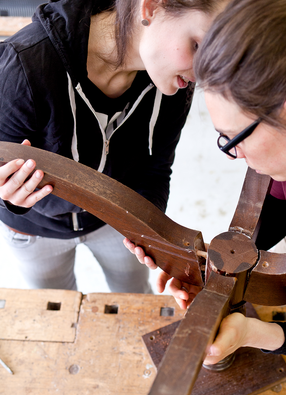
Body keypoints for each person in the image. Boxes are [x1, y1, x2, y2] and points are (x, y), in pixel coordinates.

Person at [125, 0, 286, 364]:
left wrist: (254, 333)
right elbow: (273, 206)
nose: (234, 155)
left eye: (234, 138)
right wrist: (216, 271)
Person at [0, 0, 227, 293]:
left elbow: (156, 167)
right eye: (197, 45)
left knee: (133, 293)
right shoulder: (23, 66)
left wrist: (148, 232)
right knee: (58, 309)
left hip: (117, 223)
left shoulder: (173, 79)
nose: (202, 73)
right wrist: (8, 196)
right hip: (34, 230)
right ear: (151, 7)